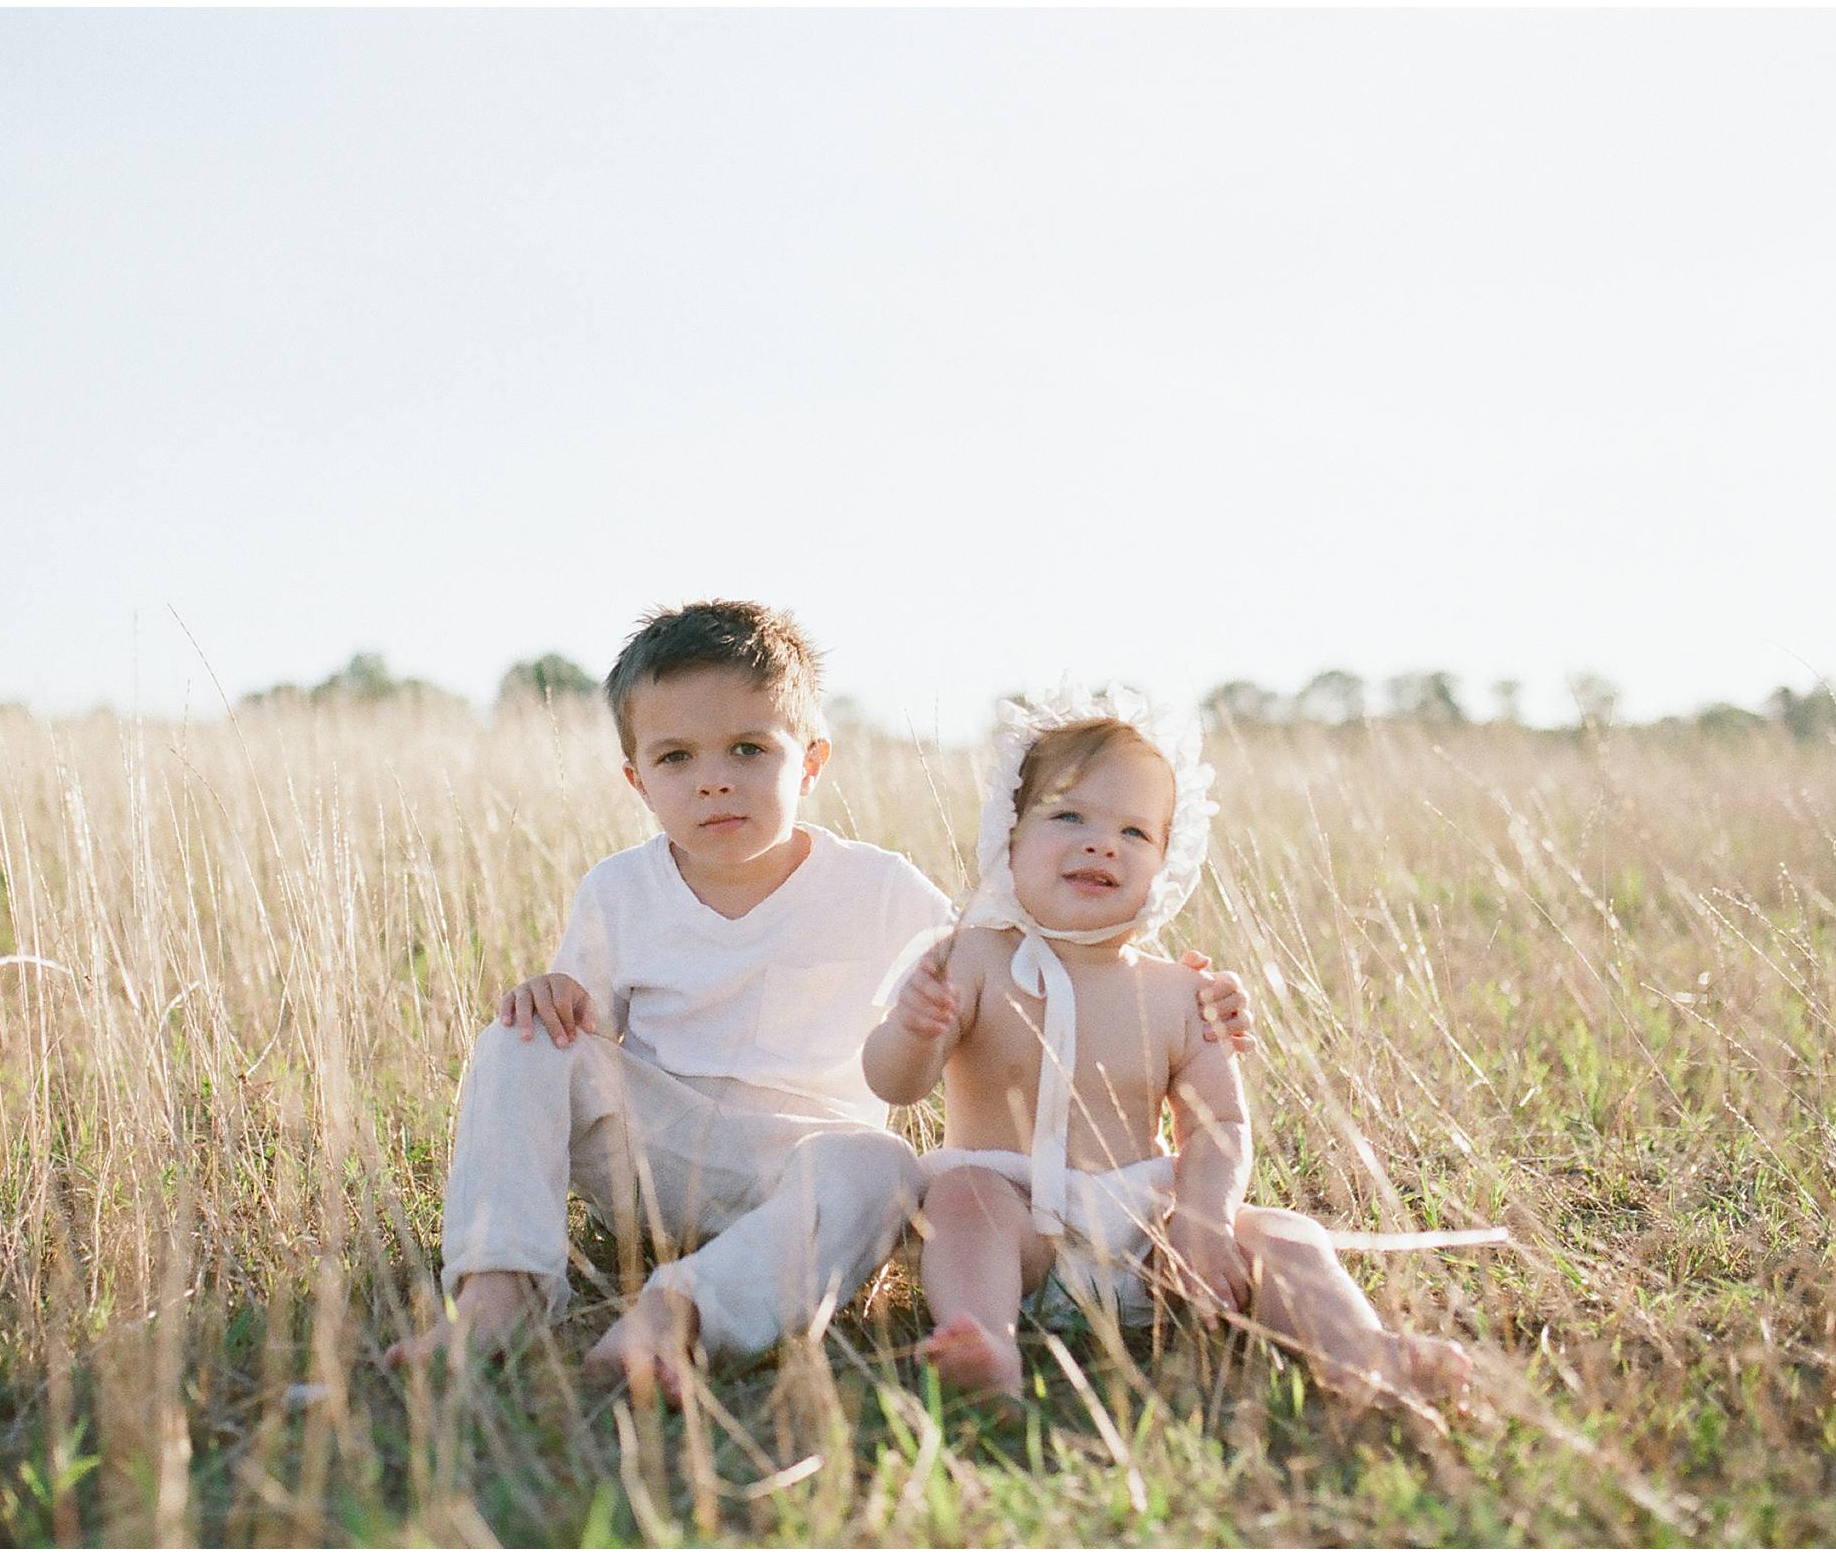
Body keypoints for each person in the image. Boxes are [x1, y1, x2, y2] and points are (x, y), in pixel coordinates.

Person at [382, 605, 1252, 1395]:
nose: (714, 780)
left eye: (749, 750)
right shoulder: (617, 892)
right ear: (637, 780)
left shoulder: (881, 888)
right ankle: (498, 1293)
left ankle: (681, 1317)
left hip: (802, 1174)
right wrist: (552, 995)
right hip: (656, 1154)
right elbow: (584, 1033)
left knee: (880, 1167)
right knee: (520, 1037)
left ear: (813, 763)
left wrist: (1175, 992)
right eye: (676, 758)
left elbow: (1024, 959)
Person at [862, 687, 1476, 1422]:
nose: (1102, 843)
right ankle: (984, 1342)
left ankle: (1360, 1353)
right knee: (964, 1201)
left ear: (1168, 860)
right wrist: (914, 1029)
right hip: (1019, 1231)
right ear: (1008, 837)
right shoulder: (969, 961)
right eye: (1068, 816)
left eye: (1135, 832)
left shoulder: (1180, 993)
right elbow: (894, 1086)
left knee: (1285, 1235)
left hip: (1155, 1236)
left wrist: (1203, 1218)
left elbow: (1220, 1124)